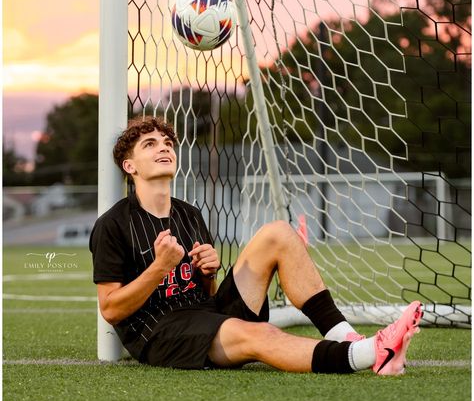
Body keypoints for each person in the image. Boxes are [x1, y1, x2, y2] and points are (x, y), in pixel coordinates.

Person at [90, 115, 423, 375]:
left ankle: (345, 336)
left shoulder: (189, 215)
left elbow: (206, 295)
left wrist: (207, 272)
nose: (163, 148)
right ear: (129, 166)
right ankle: (371, 353)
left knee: (279, 232)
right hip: (161, 333)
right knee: (260, 335)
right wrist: (160, 267)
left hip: (205, 314)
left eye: (166, 143)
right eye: (149, 144)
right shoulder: (113, 225)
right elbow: (111, 309)